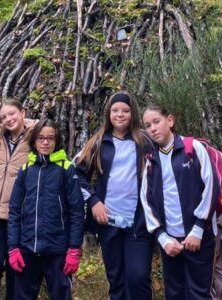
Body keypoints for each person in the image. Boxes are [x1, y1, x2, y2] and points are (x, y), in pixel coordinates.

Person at [75, 91, 154, 300]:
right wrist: (93, 201)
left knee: (138, 277)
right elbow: (77, 175)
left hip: (139, 222)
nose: (120, 114)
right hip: (108, 221)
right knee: (116, 278)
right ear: (108, 113)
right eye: (115, 110)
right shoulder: (99, 141)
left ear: (133, 114)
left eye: (125, 110)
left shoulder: (145, 141)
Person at [140, 105, 218, 299]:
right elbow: (146, 200)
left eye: (156, 122)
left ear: (170, 121)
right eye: (148, 125)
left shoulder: (193, 148)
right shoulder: (151, 160)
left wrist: (199, 228)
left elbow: (211, 186)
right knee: (174, 294)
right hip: (170, 242)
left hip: (199, 238)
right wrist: (162, 237)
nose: (153, 128)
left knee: (199, 294)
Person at [8, 118, 84, 300]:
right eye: (41, 138)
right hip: (27, 248)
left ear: (57, 141)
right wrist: (13, 247)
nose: (45, 142)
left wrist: (74, 249)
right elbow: (14, 211)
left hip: (57, 249)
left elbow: (77, 211)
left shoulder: (66, 169)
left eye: (50, 138)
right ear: (34, 140)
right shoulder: (25, 170)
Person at [0, 100, 36, 300]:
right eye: (4, 117)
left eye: (12, 114)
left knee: (16, 268)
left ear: (23, 112)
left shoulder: (36, 137)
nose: (9, 119)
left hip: (20, 213)